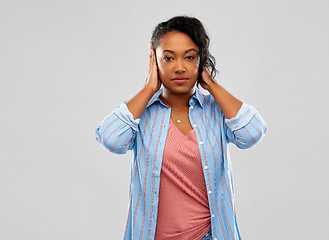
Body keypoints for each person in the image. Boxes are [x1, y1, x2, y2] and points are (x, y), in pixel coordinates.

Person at [95, 16, 267, 240]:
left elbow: (253, 132)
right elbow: (110, 138)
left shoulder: (215, 111)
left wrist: (211, 85)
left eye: (189, 57)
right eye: (168, 58)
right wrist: (149, 87)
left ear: (200, 60)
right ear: (154, 61)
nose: (179, 67)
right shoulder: (141, 114)